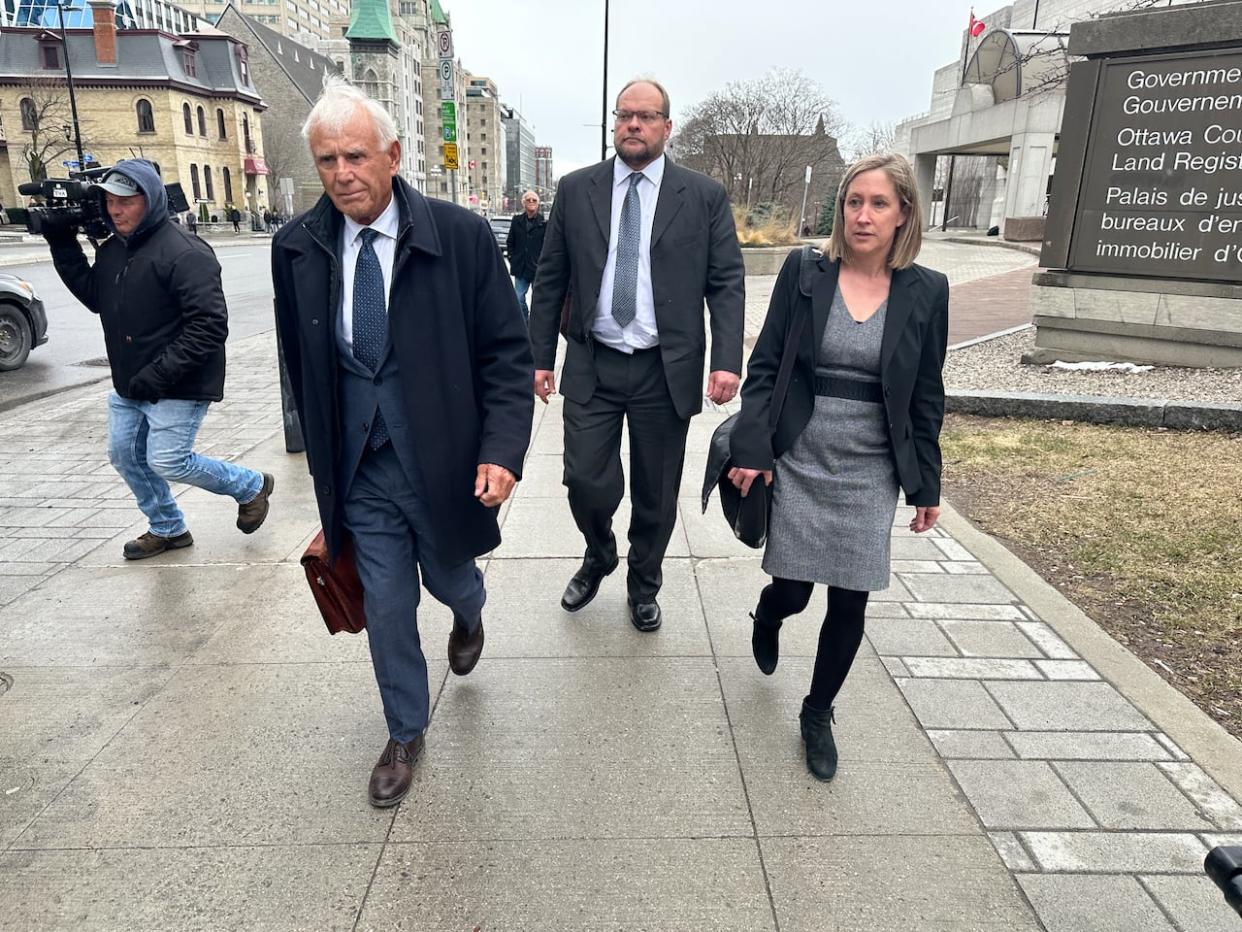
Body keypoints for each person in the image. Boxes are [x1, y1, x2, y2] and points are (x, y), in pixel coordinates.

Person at [272, 78, 533, 809]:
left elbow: (507, 357)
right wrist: (311, 445)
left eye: (355, 156)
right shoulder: (297, 246)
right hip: (361, 467)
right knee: (386, 603)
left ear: (391, 155)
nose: (340, 174)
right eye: (326, 160)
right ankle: (405, 731)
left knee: (449, 579)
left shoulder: (460, 236)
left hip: (442, 458)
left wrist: (502, 450)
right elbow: (299, 358)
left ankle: (470, 610)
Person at [727, 153, 949, 782]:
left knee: (850, 600)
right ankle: (768, 615)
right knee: (794, 589)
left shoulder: (926, 290)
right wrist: (754, 448)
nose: (863, 215)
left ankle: (818, 711)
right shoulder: (805, 270)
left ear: (904, 212)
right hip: (800, 451)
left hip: (871, 465)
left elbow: (926, 392)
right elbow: (766, 366)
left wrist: (925, 481)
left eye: (879, 203)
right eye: (854, 201)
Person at [529, 77, 745, 633]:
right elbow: (550, 278)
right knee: (585, 479)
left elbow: (726, 282)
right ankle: (599, 551)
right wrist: (539, 357)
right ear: (614, 124)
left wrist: (726, 358)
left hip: (663, 367)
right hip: (593, 362)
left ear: (667, 128)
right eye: (624, 115)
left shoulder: (702, 196)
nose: (633, 125)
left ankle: (643, 583)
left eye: (646, 117)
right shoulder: (577, 190)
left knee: (656, 491)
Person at [43, 158, 275, 560]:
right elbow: (97, 297)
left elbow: (209, 326)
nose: (116, 210)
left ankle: (250, 486)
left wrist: (159, 374)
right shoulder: (115, 249)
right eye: (110, 201)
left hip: (178, 382)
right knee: (124, 455)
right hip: (131, 381)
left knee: (168, 459)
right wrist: (62, 245)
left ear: (149, 200)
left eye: (126, 201)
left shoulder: (185, 253)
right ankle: (167, 527)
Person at [506, 190, 545, 323]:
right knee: (518, 298)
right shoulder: (516, 221)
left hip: (538, 269)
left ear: (538, 203)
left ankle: (536, 325)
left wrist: (544, 263)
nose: (531, 202)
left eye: (534, 200)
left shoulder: (544, 222)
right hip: (521, 268)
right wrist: (512, 258)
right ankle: (525, 323)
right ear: (523, 203)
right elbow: (510, 242)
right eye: (528, 199)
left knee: (539, 300)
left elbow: (549, 245)